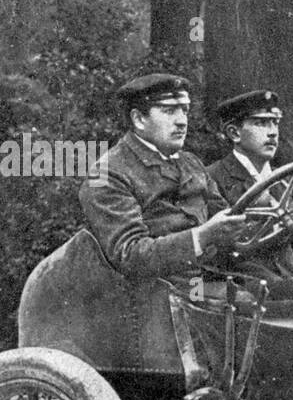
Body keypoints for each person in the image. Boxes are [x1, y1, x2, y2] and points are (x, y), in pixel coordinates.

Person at [79, 73, 246, 286]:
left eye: (184, 110)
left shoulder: (191, 163)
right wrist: (202, 237)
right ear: (138, 119)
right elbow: (130, 256)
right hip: (147, 301)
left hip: (204, 286)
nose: (182, 121)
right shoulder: (107, 174)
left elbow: (225, 220)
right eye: (169, 111)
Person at [206, 90, 293, 277]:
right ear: (234, 133)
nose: (272, 132)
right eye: (261, 123)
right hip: (246, 290)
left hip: (292, 286)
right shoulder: (212, 178)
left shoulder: (285, 182)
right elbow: (217, 255)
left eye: (275, 122)